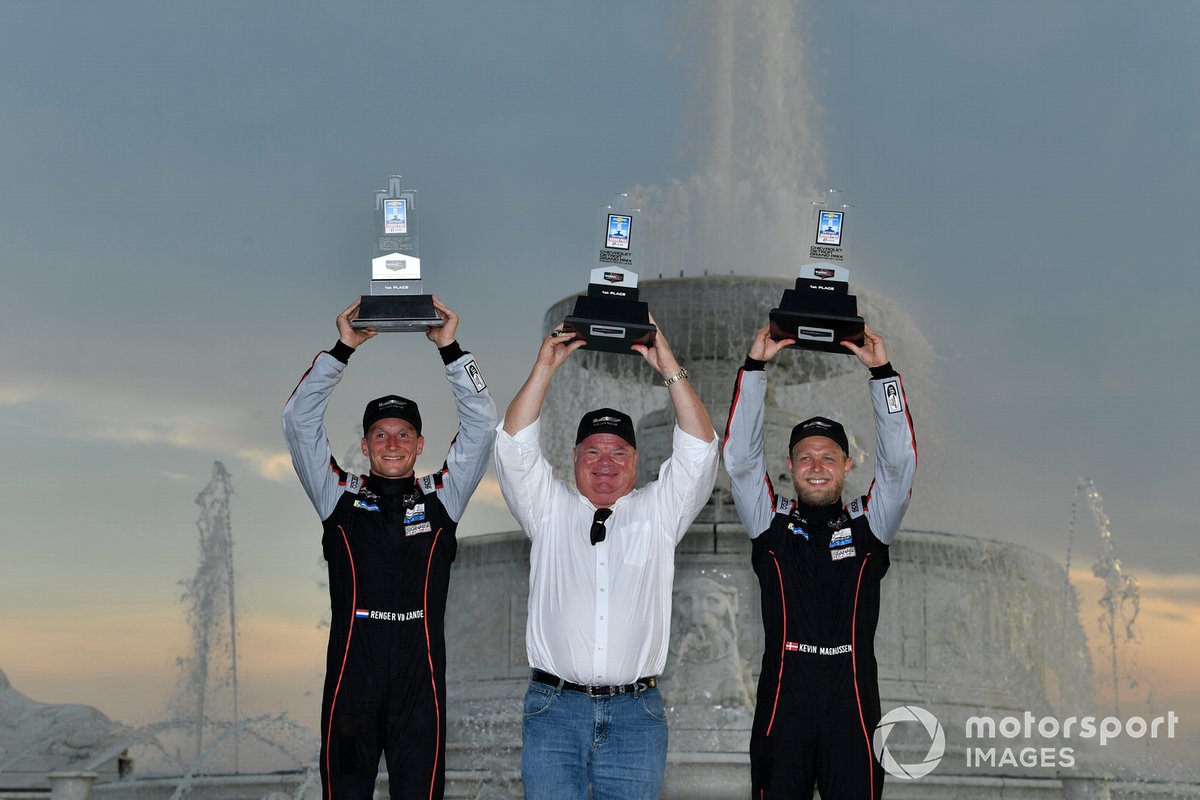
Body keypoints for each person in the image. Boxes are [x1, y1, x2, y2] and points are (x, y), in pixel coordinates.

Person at [282, 297, 497, 800]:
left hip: (418, 693)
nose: (393, 443)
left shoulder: (443, 496)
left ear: (422, 444)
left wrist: (451, 350)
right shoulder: (338, 494)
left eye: (404, 434)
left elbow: (483, 426)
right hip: (351, 690)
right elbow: (298, 422)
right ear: (366, 442)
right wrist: (342, 350)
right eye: (381, 434)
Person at [494, 322, 719, 800]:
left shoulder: (659, 511)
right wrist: (544, 368)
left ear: (637, 461)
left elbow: (698, 453)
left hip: (637, 713)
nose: (605, 462)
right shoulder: (547, 509)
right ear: (573, 458)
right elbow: (513, 448)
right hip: (554, 710)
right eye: (593, 451)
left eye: (618, 452)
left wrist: (670, 370)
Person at [723, 324, 917, 800]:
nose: (816, 466)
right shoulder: (769, 521)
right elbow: (742, 462)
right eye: (805, 457)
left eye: (828, 458)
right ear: (788, 466)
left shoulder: (871, 525)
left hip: (851, 703)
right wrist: (754, 368)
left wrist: (882, 375)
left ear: (848, 465)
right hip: (781, 704)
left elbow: (899, 467)